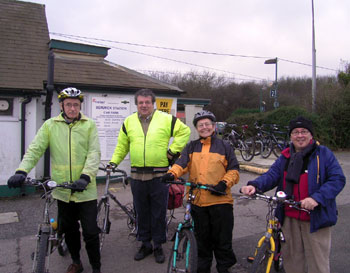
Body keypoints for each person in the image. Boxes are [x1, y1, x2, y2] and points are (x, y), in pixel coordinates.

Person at [7, 87, 102, 273]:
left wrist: (85, 177)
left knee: (91, 232)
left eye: (76, 105)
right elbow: (35, 149)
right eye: (69, 105)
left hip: (85, 190)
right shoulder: (50, 125)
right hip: (62, 190)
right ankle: (76, 261)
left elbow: (94, 153)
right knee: (70, 230)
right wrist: (22, 170)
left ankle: (96, 266)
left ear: (80, 106)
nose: (72, 108)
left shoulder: (88, 124)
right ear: (62, 105)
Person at [241, 116, 346, 273]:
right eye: (295, 132)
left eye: (304, 131)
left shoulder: (323, 154)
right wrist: (254, 186)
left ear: (311, 134)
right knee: (292, 264)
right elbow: (272, 175)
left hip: (315, 218)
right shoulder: (285, 156)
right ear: (291, 136)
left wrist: (316, 198)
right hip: (289, 218)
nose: (300, 135)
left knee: (318, 265)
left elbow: (337, 179)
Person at [109, 88, 190, 264]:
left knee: (158, 213)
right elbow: (122, 146)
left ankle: (158, 245)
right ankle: (145, 244)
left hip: (159, 176)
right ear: (136, 104)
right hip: (137, 177)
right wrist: (113, 162)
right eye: (140, 102)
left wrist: (172, 151)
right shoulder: (129, 121)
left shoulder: (166, 119)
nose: (144, 105)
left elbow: (185, 132)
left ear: (152, 103)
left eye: (147, 102)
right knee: (141, 212)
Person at [161, 110, 240, 273]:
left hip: (221, 202)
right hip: (198, 202)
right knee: (202, 244)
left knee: (222, 243)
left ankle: (224, 268)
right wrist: (171, 173)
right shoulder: (191, 147)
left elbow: (234, 170)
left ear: (213, 126)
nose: (204, 127)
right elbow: (181, 164)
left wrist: (224, 184)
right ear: (197, 128)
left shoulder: (224, 146)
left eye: (207, 124)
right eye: (200, 125)